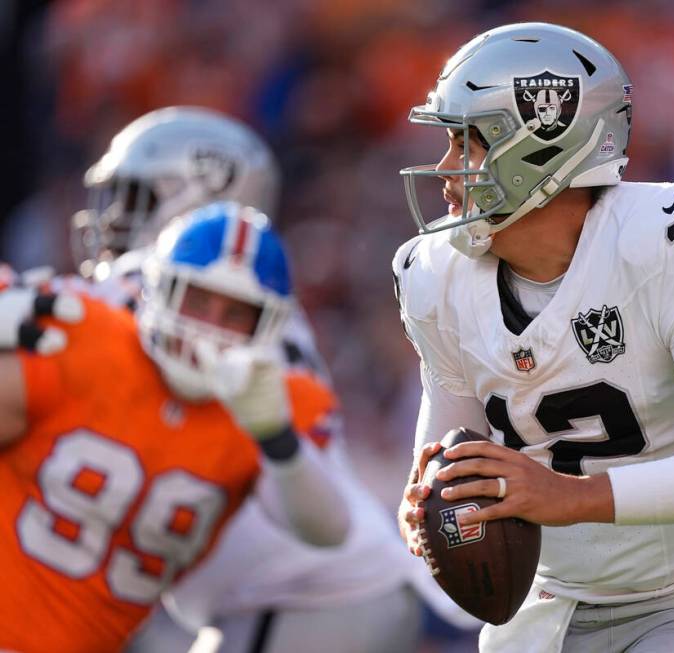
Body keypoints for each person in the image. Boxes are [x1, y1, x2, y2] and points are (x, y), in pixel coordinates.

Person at [393, 22, 674, 653]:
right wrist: (425, 510)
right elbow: (451, 460)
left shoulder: (664, 238)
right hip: (546, 604)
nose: (446, 169)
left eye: (467, 143)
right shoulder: (435, 275)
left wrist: (571, 497)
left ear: (539, 146)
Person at [67, 106, 463, 653]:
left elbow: (65, 323)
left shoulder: (170, 298)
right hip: (314, 592)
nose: (113, 222)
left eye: (136, 198)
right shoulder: (254, 309)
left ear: (195, 193)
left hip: (308, 598)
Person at [0, 202, 350, 653]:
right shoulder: (86, 336)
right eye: (198, 300)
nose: (208, 330)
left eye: (236, 314)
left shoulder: (271, 406)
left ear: (269, 325)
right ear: (161, 289)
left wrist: (275, 435)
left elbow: (330, 530)